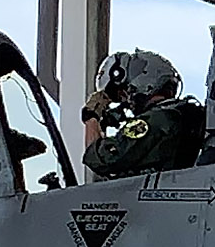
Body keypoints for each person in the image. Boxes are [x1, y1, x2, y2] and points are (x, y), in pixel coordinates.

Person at [80, 49, 202, 179]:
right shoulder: (180, 114)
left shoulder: (158, 119)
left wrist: (91, 117)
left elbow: (104, 160)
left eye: (124, 93)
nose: (126, 101)